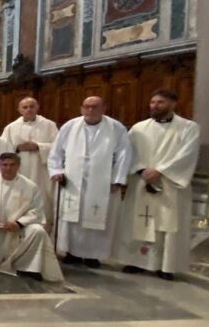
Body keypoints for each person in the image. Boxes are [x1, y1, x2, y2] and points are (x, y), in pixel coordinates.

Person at [114, 89, 200, 280]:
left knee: (167, 225)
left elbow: (187, 154)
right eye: (152, 102)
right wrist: (141, 170)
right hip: (141, 182)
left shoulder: (188, 128)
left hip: (170, 184)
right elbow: (129, 153)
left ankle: (166, 266)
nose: (154, 106)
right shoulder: (138, 128)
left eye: (160, 102)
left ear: (173, 104)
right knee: (137, 220)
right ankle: (134, 261)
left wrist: (159, 170)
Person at [48, 96, 131, 267]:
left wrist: (118, 179)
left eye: (94, 107)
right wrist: (56, 171)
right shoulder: (70, 126)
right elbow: (56, 152)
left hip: (102, 183)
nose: (90, 110)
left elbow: (124, 154)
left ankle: (93, 255)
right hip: (72, 181)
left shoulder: (116, 128)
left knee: (96, 217)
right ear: (81, 109)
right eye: (87, 107)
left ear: (103, 108)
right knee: (72, 219)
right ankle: (71, 252)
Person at [0, 153, 63, 282]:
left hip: (20, 229)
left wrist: (19, 223)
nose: (8, 168)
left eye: (12, 165)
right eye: (4, 165)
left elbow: (36, 210)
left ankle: (29, 267)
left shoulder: (30, 186)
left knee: (38, 231)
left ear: (18, 166)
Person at [1, 97, 59, 222]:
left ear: (37, 107)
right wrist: (16, 148)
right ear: (19, 110)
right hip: (20, 170)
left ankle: (43, 227)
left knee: (42, 198)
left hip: (41, 171)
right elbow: (4, 149)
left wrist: (38, 146)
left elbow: (58, 147)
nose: (28, 109)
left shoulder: (49, 125)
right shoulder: (11, 127)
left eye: (31, 106)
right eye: (25, 107)